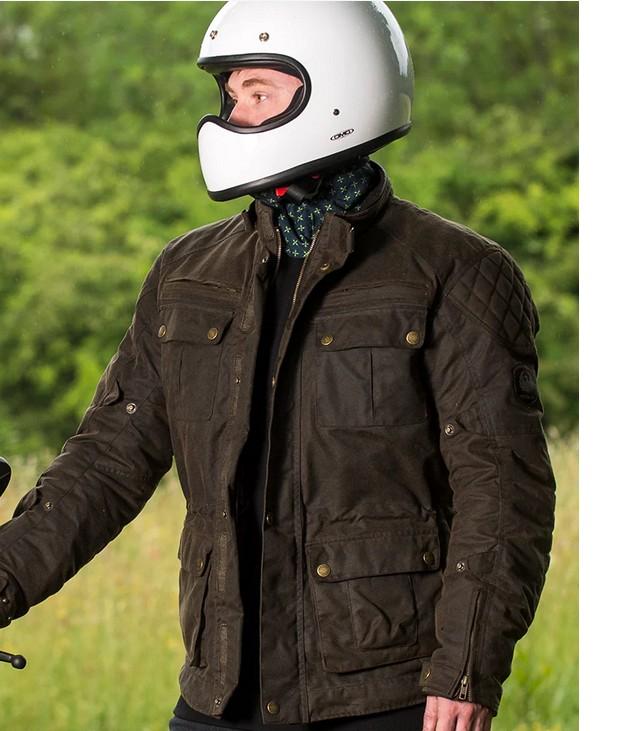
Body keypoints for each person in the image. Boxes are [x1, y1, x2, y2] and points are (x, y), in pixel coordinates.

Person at [0, 3, 556, 731]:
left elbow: (502, 489)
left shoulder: (458, 272)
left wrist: (466, 667)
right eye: (230, 94)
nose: (233, 115)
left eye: (257, 92)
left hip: (388, 693)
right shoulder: (188, 272)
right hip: (221, 687)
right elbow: (107, 461)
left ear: (343, 89)